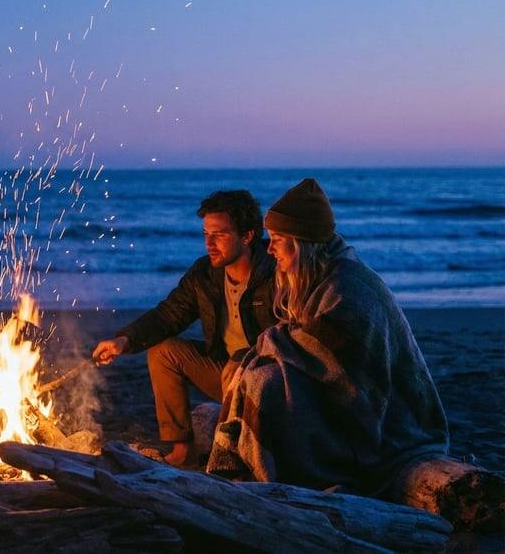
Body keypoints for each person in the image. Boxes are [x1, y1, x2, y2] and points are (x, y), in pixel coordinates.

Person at [206, 178, 449, 494]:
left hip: (385, 417)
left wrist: (269, 343)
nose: (269, 248)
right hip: (339, 390)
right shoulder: (319, 274)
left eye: (278, 239)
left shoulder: (347, 287)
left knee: (263, 383)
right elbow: (308, 345)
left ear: (301, 242)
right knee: (254, 372)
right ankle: (253, 471)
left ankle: (271, 480)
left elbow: (332, 359)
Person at [91, 189, 278, 466]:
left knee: (239, 364)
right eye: (206, 234)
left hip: (271, 383)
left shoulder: (277, 271)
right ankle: (183, 449)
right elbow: (169, 314)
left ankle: (240, 452)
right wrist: (124, 341)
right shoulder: (204, 274)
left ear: (247, 236)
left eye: (220, 235)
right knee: (163, 351)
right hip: (225, 375)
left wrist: (248, 364)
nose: (210, 244)